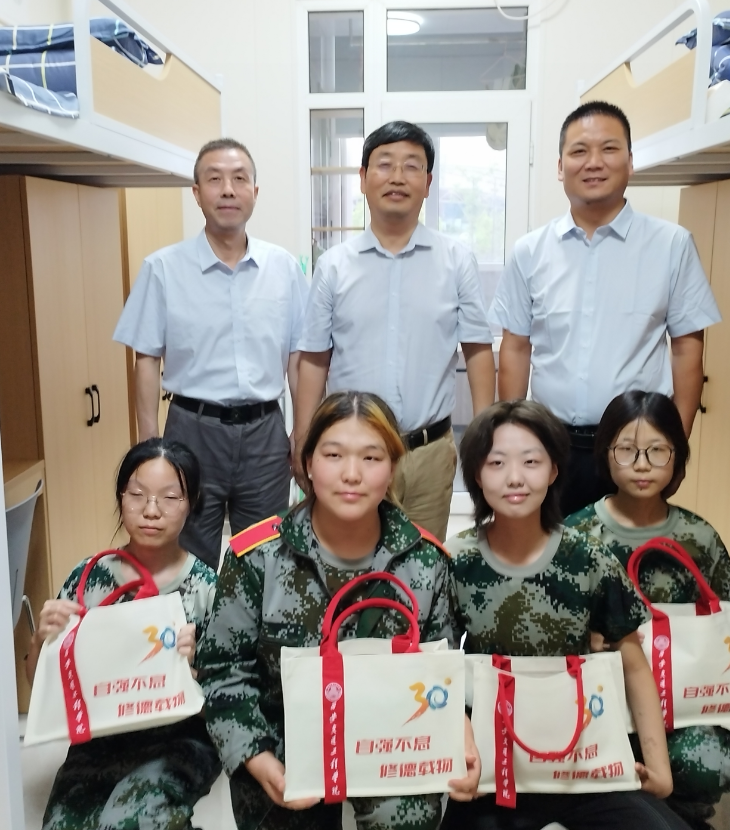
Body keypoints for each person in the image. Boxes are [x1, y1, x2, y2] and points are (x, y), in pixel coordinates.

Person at [198, 390, 480, 830]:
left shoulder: (425, 561)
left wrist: (459, 733)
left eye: (371, 458)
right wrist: (256, 758)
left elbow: (440, 667)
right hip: (286, 739)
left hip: (393, 738)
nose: (352, 474)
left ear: (392, 468)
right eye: (333, 455)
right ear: (308, 463)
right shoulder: (257, 557)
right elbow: (223, 670)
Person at [443, 400, 690, 830]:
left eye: (531, 461)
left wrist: (658, 766)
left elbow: (633, 661)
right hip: (495, 764)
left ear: (555, 469)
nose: (515, 477)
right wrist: (461, 753)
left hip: (582, 760)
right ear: (477, 475)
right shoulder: (456, 559)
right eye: (497, 463)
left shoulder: (588, 557)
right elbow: (437, 671)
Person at [491, 101, 721, 518]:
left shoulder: (671, 245)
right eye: (579, 151)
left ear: (630, 162)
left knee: (629, 554)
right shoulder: (530, 252)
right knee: (550, 551)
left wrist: (675, 447)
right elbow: (516, 348)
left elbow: (687, 349)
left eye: (609, 149)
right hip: (550, 444)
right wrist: (509, 442)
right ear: (560, 166)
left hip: (637, 447)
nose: (593, 162)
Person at [293, 121, 496, 542]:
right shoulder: (334, 265)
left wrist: (484, 434)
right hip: (352, 451)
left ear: (428, 183)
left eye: (412, 166)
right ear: (363, 178)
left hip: (428, 453)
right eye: (385, 165)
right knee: (348, 560)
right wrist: (303, 437)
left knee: (422, 566)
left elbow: (478, 350)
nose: (398, 177)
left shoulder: (456, 260)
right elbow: (314, 358)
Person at [114, 137, 309, 570]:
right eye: (215, 179)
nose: (228, 190)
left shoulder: (282, 269)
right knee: (186, 556)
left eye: (239, 179)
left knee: (266, 558)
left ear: (255, 191)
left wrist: (302, 431)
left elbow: (298, 358)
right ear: (197, 193)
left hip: (264, 433)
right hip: (190, 430)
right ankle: (190, 619)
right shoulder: (163, 268)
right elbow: (145, 358)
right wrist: (150, 445)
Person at [565, 391, 730, 829]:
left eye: (658, 450)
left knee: (705, 762)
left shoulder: (700, 538)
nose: (642, 465)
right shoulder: (576, 536)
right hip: (600, 706)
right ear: (606, 454)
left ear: (677, 457)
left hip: (683, 707)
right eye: (627, 450)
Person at [28, 438, 220, 830]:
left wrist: (191, 671)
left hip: (180, 739)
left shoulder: (206, 588)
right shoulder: (89, 578)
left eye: (170, 497)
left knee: (127, 822)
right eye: (136, 495)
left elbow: (228, 698)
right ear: (121, 497)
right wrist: (41, 640)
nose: (151, 510)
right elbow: (41, 685)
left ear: (192, 503)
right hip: (100, 737)